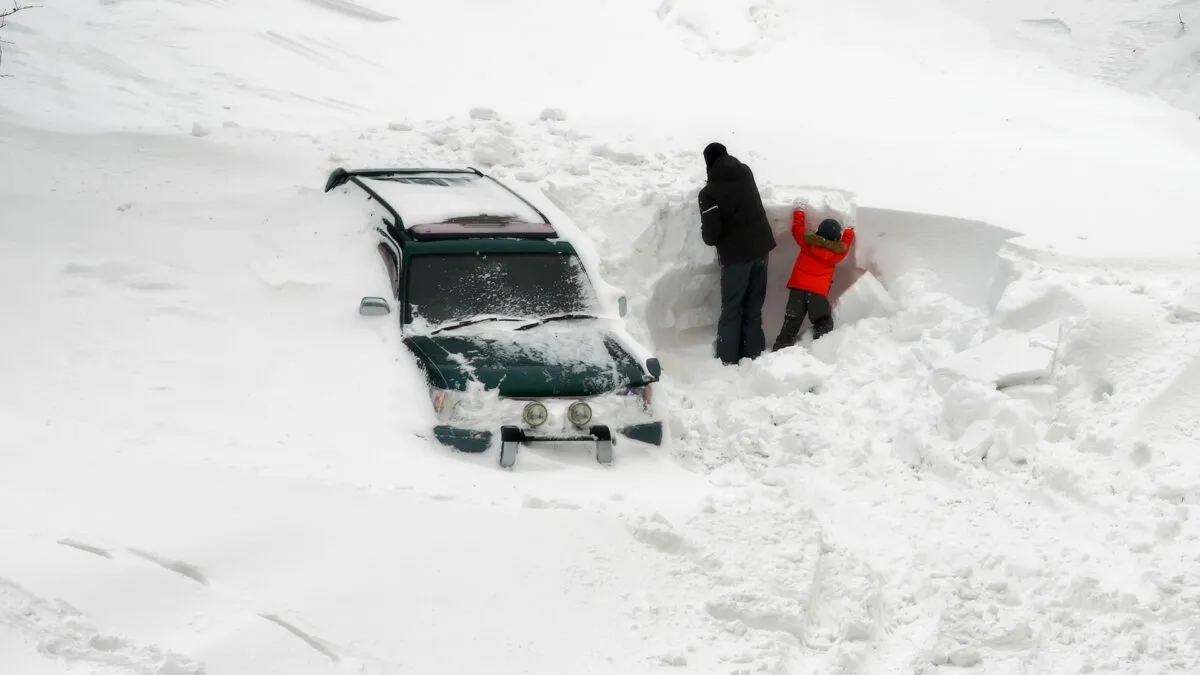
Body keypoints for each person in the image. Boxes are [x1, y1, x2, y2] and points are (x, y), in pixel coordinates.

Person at [698, 142, 777, 366]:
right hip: (762, 250)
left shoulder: (709, 193)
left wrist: (706, 235)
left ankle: (727, 361)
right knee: (753, 307)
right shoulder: (746, 172)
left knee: (732, 309)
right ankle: (753, 356)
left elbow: (712, 234)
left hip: (737, 259)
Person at [772, 199, 855, 351]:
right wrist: (849, 231)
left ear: (818, 231)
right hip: (817, 296)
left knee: (790, 324)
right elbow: (846, 245)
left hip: (797, 291)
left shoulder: (807, 243)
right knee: (823, 323)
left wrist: (799, 210)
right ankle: (816, 350)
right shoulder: (836, 254)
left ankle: (779, 351)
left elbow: (797, 229)